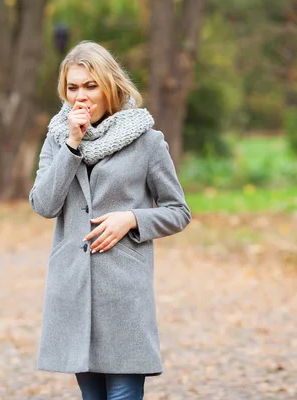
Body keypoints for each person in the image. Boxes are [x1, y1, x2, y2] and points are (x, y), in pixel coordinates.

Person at [29, 41, 191, 400]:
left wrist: (132, 219)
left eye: (90, 85)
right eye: (72, 87)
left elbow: (178, 211)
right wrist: (72, 145)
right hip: (72, 291)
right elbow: (43, 204)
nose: (80, 96)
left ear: (110, 86)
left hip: (123, 293)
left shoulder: (147, 141)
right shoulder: (58, 139)